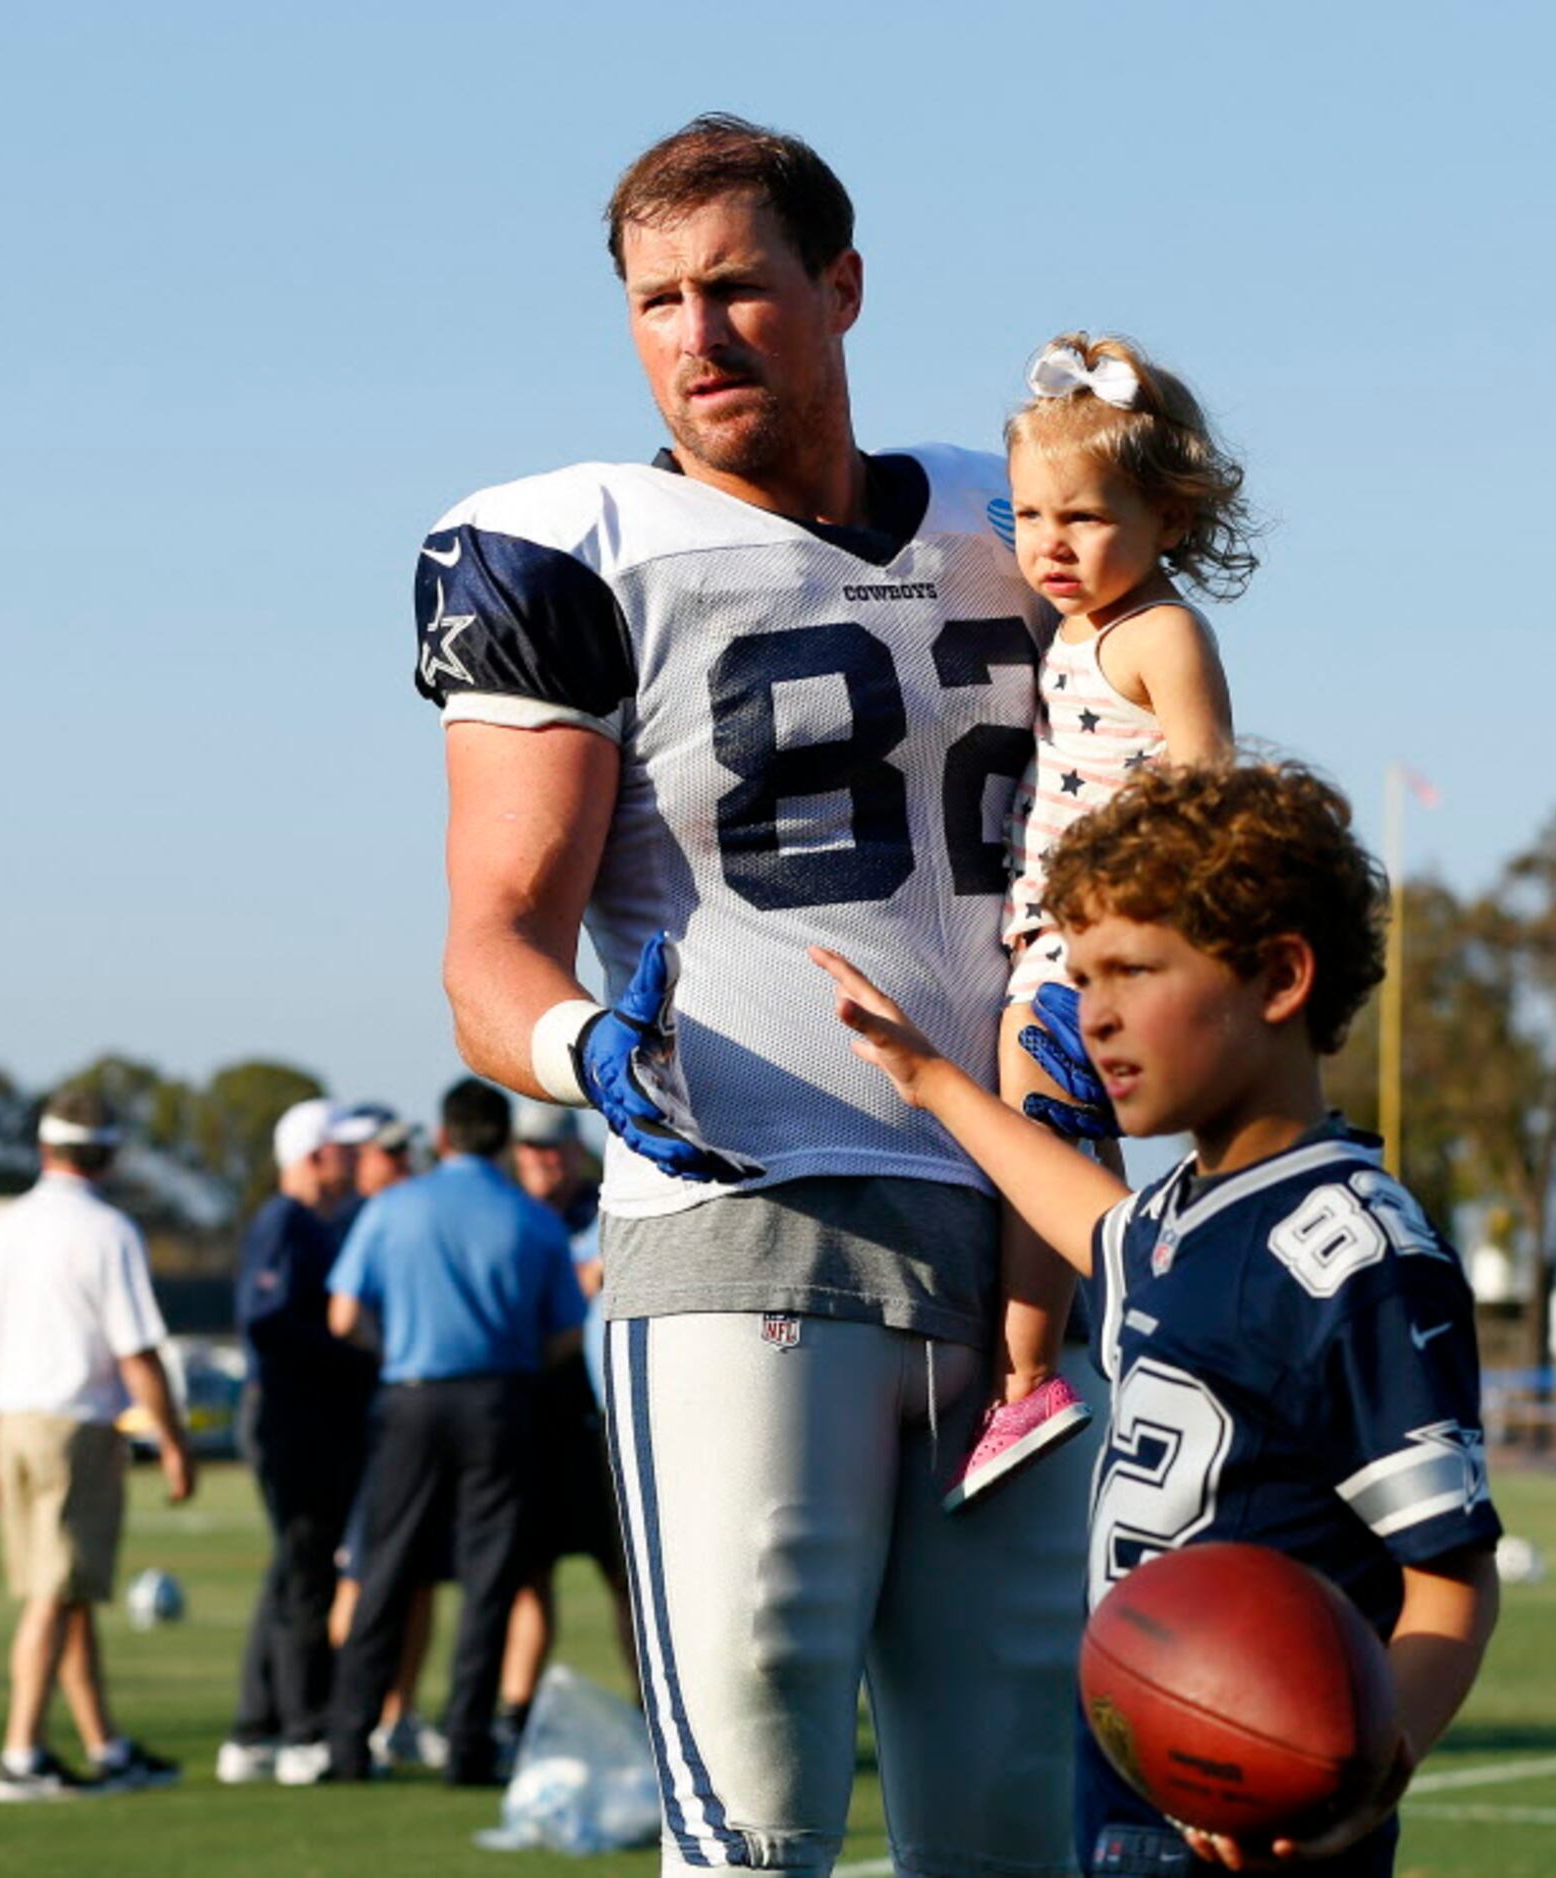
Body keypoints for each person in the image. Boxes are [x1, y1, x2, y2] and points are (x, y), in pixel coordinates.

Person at [418, 113, 1086, 1872]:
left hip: (1030, 1234)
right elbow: (491, 933)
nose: (696, 337)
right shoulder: (574, 548)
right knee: (756, 1795)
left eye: (739, 288)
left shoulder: (1008, 512)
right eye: (657, 300)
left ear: (843, 286)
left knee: (1015, 1801)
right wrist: (579, 1046)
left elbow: (1167, 733)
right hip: (748, 1212)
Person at [817, 759, 1505, 1877]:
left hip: (1268, 1797)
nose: (1094, 1017)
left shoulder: (1350, 1249)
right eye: (1082, 976)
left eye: (1133, 971)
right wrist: (931, 1080)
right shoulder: (1178, 1217)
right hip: (1133, 1764)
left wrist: (1361, 1774)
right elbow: (1094, 1221)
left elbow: (1447, 1579)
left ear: (1279, 978)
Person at [953, 332, 1251, 1509]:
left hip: (1102, 940)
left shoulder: (1161, 634)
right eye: (1029, 519)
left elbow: (1207, 785)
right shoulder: (1074, 627)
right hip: (1048, 933)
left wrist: (1155, 933)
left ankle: (1026, 1378)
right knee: (1067, 1145)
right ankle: (1141, 1344)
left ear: (1168, 517)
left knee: (1037, 1130)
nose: (1049, 547)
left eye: (1081, 519)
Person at [321, 1078, 585, 1786]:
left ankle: (348, 1742)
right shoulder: (531, 1221)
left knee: (386, 1567)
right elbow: (567, 1333)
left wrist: (401, 1350)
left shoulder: (393, 1208)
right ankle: (469, 1745)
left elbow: (343, 1317)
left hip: (410, 1397)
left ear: (442, 1138)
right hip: (500, 1401)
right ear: (501, 1141)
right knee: (490, 1575)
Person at [0, 1088, 195, 1802]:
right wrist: (175, 1441)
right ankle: (22, 1756)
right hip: (74, 1428)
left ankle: (107, 1746)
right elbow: (137, 1352)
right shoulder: (109, 1230)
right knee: (53, 1597)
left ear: (44, 1148)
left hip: (11, 1424)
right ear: (110, 1153)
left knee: (68, 1596)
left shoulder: (4, 1228)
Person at [220, 1099, 376, 1787]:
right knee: (307, 1574)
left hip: (306, 1415)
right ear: (315, 1155)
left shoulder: (310, 1224)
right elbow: (269, 1321)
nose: (353, 1158)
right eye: (343, 1148)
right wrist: (353, 1359)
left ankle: (258, 1727)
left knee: (294, 1570)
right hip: (293, 1419)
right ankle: (301, 1729)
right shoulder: (286, 1223)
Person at [498, 1101, 637, 1761]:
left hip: (601, 1419)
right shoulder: (506, 1218)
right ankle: (514, 1714)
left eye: (553, 1150)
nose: (543, 1161)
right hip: (528, 1421)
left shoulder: (607, 1207)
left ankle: (651, 1709)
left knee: (627, 1576)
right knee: (529, 1576)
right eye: (531, 1151)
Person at [321, 1106, 449, 1774]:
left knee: (400, 1573)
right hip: (388, 1419)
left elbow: (344, 1316)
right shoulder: (385, 1215)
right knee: (375, 1574)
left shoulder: (389, 1214)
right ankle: (359, 1713)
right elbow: (342, 1318)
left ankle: (386, 1715)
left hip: (396, 1412)